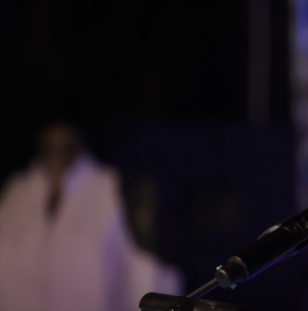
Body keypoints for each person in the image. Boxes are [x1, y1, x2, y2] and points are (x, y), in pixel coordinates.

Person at [0, 123, 181, 311]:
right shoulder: (16, 191)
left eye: (68, 147)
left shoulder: (115, 188)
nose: (57, 154)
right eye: (49, 147)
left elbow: (146, 274)